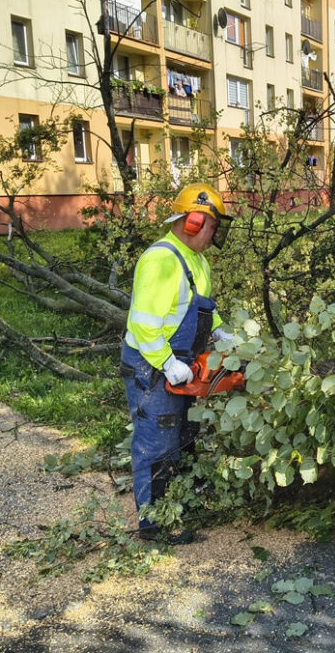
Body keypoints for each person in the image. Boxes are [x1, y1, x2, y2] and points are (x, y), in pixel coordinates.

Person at [120, 183, 233, 542]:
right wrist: (167, 363)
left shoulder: (196, 261)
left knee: (184, 435)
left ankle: (178, 504)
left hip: (181, 362)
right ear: (194, 222)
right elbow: (144, 323)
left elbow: (199, 309)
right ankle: (154, 522)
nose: (214, 235)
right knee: (157, 441)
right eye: (212, 227)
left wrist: (222, 335)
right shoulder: (161, 260)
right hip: (151, 365)